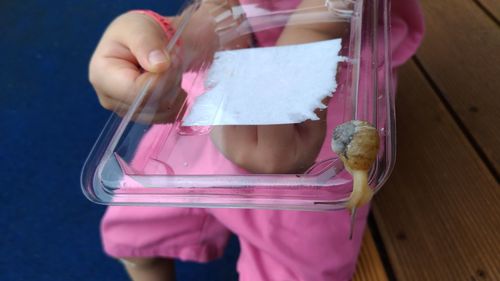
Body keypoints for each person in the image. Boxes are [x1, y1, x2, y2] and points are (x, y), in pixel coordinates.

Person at [89, 0, 424, 280]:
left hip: (342, 49)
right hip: (237, 48)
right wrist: (169, 37)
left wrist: (300, 54)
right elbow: (218, 11)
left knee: (301, 246)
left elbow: (327, 20)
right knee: (140, 217)